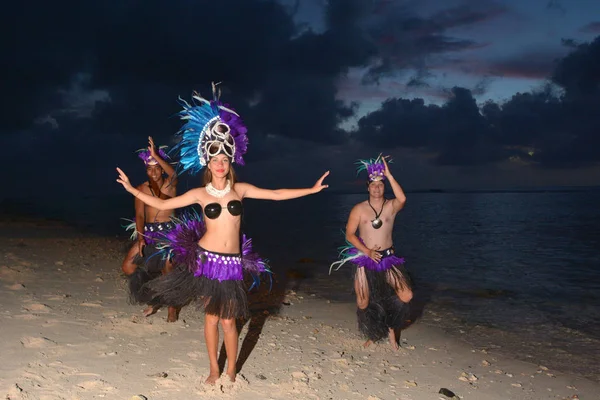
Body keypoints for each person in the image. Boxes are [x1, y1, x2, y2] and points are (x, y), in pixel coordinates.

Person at [115, 85, 330, 384]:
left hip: (231, 263)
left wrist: (311, 189)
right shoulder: (200, 193)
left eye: (224, 159)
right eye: (215, 159)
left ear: (230, 162)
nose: (220, 163)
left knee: (230, 321)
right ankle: (214, 370)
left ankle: (231, 370)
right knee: (211, 318)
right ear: (208, 162)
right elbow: (162, 203)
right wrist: (128, 189)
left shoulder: (240, 190)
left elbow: (276, 194)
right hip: (206, 260)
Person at [330, 155, 413, 350]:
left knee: (406, 295)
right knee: (363, 301)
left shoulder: (391, 207)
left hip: (388, 259)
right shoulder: (359, 209)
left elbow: (403, 198)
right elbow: (350, 235)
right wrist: (367, 251)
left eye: (380, 184)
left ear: (384, 186)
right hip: (364, 259)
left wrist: (389, 175)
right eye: (373, 185)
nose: (377, 188)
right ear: (367, 187)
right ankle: (374, 333)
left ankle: (391, 329)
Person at [120, 136, 181, 322]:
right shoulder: (140, 189)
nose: (153, 172)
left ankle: (172, 308)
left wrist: (156, 155)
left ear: (161, 168)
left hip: (169, 233)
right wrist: (140, 238)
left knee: (168, 269)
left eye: (157, 168)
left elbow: (174, 174)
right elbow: (139, 215)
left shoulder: (170, 185)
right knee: (128, 266)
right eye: (149, 168)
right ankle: (154, 297)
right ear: (145, 170)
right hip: (148, 233)